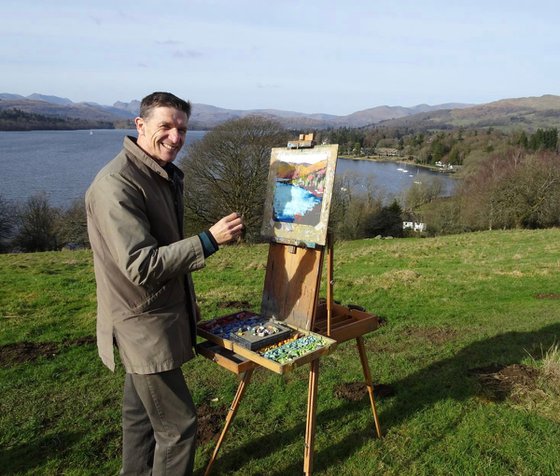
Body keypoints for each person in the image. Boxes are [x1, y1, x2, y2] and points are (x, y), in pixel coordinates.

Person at [85, 91, 243, 475]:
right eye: (166, 126)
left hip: (152, 320)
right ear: (139, 126)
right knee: (178, 426)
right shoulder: (117, 184)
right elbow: (140, 264)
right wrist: (208, 240)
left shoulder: (156, 174)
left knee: (140, 421)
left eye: (182, 129)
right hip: (143, 325)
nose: (176, 137)